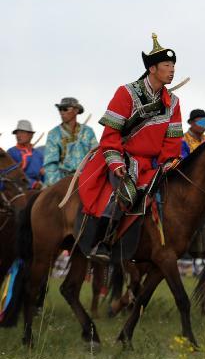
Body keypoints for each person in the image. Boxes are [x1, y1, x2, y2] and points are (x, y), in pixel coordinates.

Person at [78, 33, 184, 262]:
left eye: (173, 65)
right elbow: (111, 135)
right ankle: (102, 243)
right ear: (152, 69)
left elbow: (172, 140)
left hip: (151, 165)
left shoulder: (173, 102)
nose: (172, 70)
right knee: (125, 193)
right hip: (121, 156)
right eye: (167, 65)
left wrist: (167, 163)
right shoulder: (126, 92)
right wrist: (116, 162)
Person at [43, 97, 98, 186]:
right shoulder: (53, 134)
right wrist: (59, 184)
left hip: (86, 178)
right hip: (61, 180)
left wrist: (90, 177)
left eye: (65, 109)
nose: (62, 112)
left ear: (76, 111)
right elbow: (50, 164)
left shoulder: (88, 131)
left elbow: (96, 156)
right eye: (60, 109)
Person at [8, 120, 44, 189]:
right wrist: (32, 184)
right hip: (19, 189)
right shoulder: (11, 152)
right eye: (17, 133)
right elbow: (11, 175)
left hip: (40, 188)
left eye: (22, 132)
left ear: (30, 135)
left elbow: (44, 176)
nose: (18, 136)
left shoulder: (38, 154)